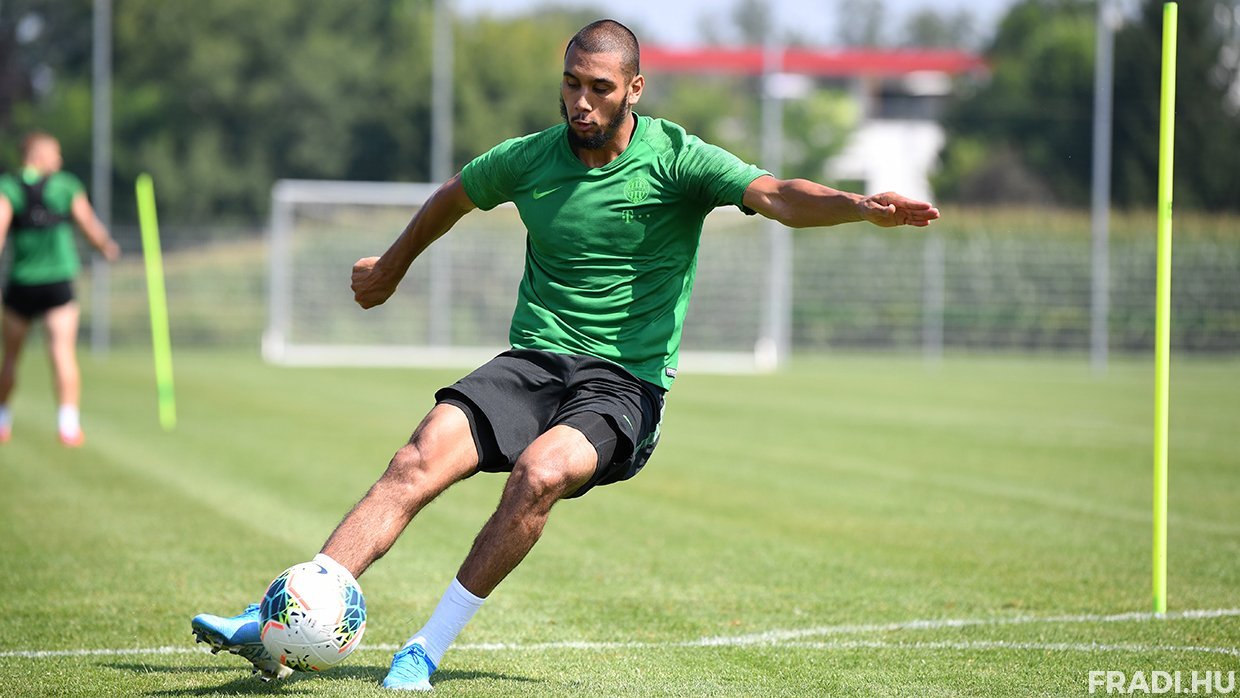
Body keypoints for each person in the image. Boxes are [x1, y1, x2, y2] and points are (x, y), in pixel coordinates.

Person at [191, 19, 939, 690]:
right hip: (535, 361)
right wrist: (391, 266)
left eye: (599, 88)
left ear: (633, 90)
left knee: (540, 473)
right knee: (417, 458)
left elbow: (776, 195)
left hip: (624, 385)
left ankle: (424, 648)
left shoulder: (677, 158)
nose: (581, 102)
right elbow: (453, 194)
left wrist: (856, 205)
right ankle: (278, 619)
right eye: (571, 84)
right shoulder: (531, 158)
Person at [0, 132, 120, 447]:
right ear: (37, 155)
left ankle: (2, 420)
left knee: (10, 358)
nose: (60, 159)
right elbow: (88, 224)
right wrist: (106, 247)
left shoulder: (9, 187)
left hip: (21, 284)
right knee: (63, 353)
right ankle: (68, 426)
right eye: (55, 153)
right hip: (57, 284)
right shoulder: (65, 185)